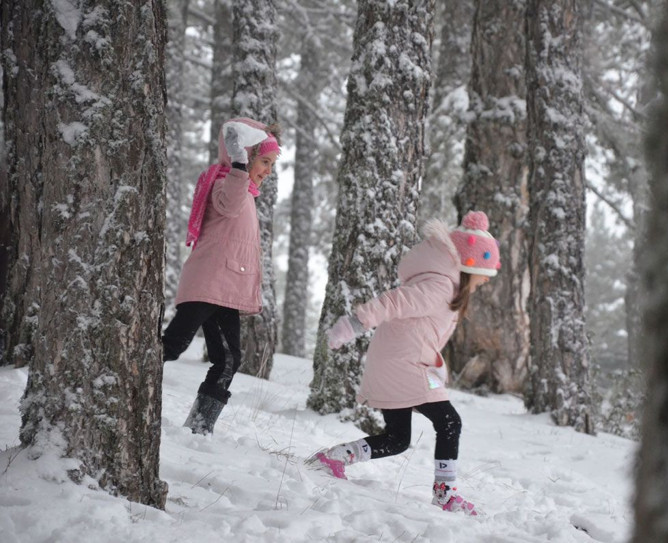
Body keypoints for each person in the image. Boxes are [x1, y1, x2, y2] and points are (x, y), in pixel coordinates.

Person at [307, 211, 501, 516]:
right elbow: (393, 302)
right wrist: (355, 324)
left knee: (398, 439)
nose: (483, 284)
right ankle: (445, 495)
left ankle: (336, 457)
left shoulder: (444, 285)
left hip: (404, 363)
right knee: (449, 421)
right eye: (483, 277)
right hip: (403, 365)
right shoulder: (439, 286)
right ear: (468, 267)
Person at [162, 118, 281, 435]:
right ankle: (123, 387)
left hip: (226, 290)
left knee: (229, 360)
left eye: (271, 164)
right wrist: (240, 163)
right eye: (264, 161)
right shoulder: (227, 184)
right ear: (243, 155)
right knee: (172, 345)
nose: (268, 170)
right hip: (207, 285)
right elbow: (228, 206)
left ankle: (200, 428)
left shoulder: (246, 193)